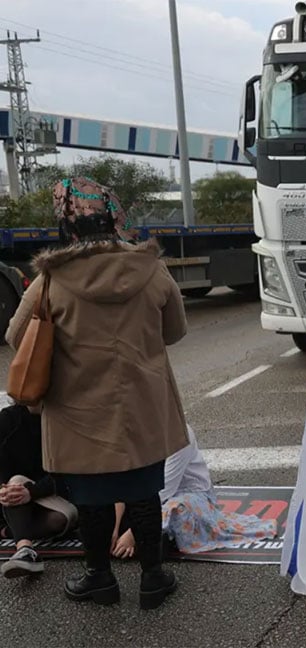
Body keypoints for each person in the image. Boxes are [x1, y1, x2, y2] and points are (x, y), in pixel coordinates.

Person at [5, 177, 190, 610]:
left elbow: (17, 336)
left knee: (91, 498)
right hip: (142, 404)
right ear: (115, 219)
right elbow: (175, 331)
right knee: (143, 490)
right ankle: (153, 578)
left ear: (67, 226)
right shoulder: (151, 268)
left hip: (77, 410)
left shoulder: (52, 279)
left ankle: (100, 579)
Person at [110, 425, 276, 559]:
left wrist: (133, 533)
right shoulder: (132, 434)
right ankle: (154, 536)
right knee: (105, 506)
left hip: (190, 496)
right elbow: (123, 483)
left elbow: (164, 490)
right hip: (148, 496)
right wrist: (113, 529)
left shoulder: (179, 434)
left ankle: (151, 537)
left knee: (177, 509)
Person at [0, 402, 78, 578]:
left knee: (58, 521)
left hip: (52, 495)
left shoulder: (64, 419)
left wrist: (32, 492)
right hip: (15, 494)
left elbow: (67, 473)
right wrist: (2, 489)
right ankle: (25, 550)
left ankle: (9, 531)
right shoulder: (8, 419)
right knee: (16, 483)